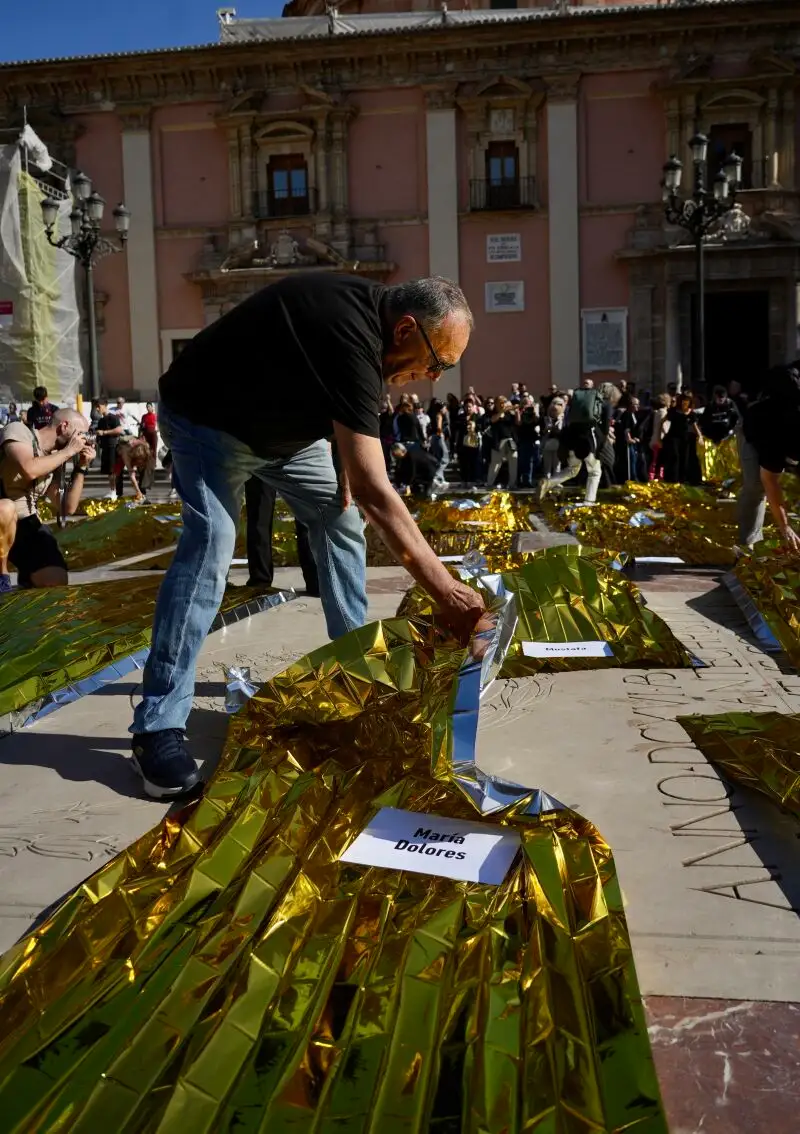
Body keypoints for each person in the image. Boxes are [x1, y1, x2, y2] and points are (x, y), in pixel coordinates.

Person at [129, 272, 486, 799]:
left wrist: (343, 464)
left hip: (286, 438)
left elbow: (335, 411)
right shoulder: (348, 330)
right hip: (208, 423)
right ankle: (157, 725)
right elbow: (375, 489)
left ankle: (357, 670)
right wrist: (447, 591)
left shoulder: (374, 334)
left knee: (339, 516)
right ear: (406, 328)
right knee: (212, 544)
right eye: (437, 363)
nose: (431, 376)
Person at [0, 409, 94, 589]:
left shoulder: (56, 456)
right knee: (6, 508)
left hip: (26, 521)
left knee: (55, 580)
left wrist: (81, 467)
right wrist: (67, 452)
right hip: (3, 514)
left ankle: (28, 576)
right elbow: (29, 469)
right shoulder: (18, 431)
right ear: (64, 426)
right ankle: (1, 576)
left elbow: (67, 507)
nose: (83, 439)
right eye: (81, 433)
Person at [741, 362, 800, 551]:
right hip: (753, 431)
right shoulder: (776, 437)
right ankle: (750, 543)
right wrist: (786, 527)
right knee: (755, 487)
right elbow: (769, 480)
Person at [539, 381, 619, 503]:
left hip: (572, 437)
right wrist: (601, 445)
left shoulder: (584, 402)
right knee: (595, 472)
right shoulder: (605, 404)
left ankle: (548, 482)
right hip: (589, 440)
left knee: (572, 469)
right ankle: (589, 502)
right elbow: (605, 429)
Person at [244, 477, 320, 595]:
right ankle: (315, 582)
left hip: (261, 461)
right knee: (305, 514)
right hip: (282, 460)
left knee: (259, 515)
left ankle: (260, 581)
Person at [94, 397, 126, 499]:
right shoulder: (101, 421)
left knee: (114, 471)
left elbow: (119, 430)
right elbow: (99, 435)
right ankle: (112, 490)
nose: (97, 409)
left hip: (113, 447)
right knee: (109, 471)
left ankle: (116, 492)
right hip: (105, 448)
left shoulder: (113, 417)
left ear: (104, 406)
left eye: (98, 407)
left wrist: (105, 432)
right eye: (96, 408)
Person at [486, 396, 519, 489]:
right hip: (498, 442)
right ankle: (490, 484)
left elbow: (517, 423)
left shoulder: (510, 414)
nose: (502, 404)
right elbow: (493, 420)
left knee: (513, 461)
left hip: (510, 441)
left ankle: (512, 484)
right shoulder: (494, 413)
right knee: (495, 463)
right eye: (500, 402)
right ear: (496, 404)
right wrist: (502, 411)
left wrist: (516, 412)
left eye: (504, 402)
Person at [113, 437, 153, 502]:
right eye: (139, 462)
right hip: (119, 453)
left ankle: (142, 493)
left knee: (144, 469)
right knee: (118, 473)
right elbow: (132, 475)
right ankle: (118, 494)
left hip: (132, 450)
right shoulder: (126, 452)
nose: (139, 464)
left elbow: (145, 445)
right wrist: (138, 491)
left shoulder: (143, 448)